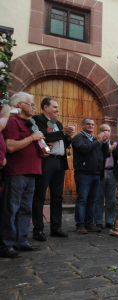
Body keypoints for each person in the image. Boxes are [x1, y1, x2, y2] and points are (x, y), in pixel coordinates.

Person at [0, 92, 47, 258]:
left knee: (25, 210)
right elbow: (10, 146)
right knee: (11, 209)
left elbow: (32, 143)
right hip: (17, 171)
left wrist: (42, 150)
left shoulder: (30, 124)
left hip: (31, 172)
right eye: (31, 104)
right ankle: (7, 244)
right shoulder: (13, 122)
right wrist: (32, 138)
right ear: (19, 105)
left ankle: (21, 240)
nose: (34, 107)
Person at [31, 97, 75, 242]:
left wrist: (68, 136)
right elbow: (45, 135)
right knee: (40, 196)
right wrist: (63, 133)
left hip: (59, 163)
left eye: (57, 107)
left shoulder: (56, 123)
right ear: (45, 108)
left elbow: (61, 141)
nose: (57, 110)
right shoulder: (38, 119)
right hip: (47, 162)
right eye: (54, 107)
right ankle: (38, 230)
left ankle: (56, 228)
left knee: (57, 197)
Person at [72, 117, 109, 234]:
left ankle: (89, 223)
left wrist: (105, 143)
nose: (91, 126)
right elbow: (84, 149)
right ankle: (80, 224)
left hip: (96, 174)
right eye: (88, 124)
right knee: (82, 199)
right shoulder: (78, 138)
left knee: (92, 200)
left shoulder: (94, 138)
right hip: (83, 174)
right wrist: (98, 141)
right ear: (82, 125)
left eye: (92, 124)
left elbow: (105, 154)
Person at [94, 124, 118, 229]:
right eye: (104, 130)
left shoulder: (114, 144)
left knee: (111, 199)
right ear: (100, 131)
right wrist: (108, 150)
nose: (106, 132)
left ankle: (110, 221)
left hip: (111, 172)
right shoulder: (96, 143)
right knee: (99, 198)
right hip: (100, 172)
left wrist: (114, 149)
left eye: (108, 130)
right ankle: (98, 221)